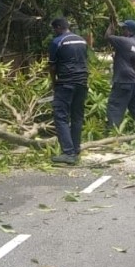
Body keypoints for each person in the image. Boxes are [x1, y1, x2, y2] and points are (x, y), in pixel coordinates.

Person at [47, 17, 89, 165]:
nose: (54, 32)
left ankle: (68, 153)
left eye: (54, 29)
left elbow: (52, 66)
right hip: (82, 82)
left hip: (66, 83)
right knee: (77, 116)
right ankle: (76, 149)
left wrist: (54, 83)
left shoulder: (57, 42)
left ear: (58, 27)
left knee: (61, 117)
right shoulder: (82, 40)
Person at [103, 16, 135, 130]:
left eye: (124, 29)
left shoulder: (124, 41)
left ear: (129, 31)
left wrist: (112, 25)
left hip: (123, 83)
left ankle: (113, 133)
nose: (122, 31)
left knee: (115, 108)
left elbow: (107, 36)